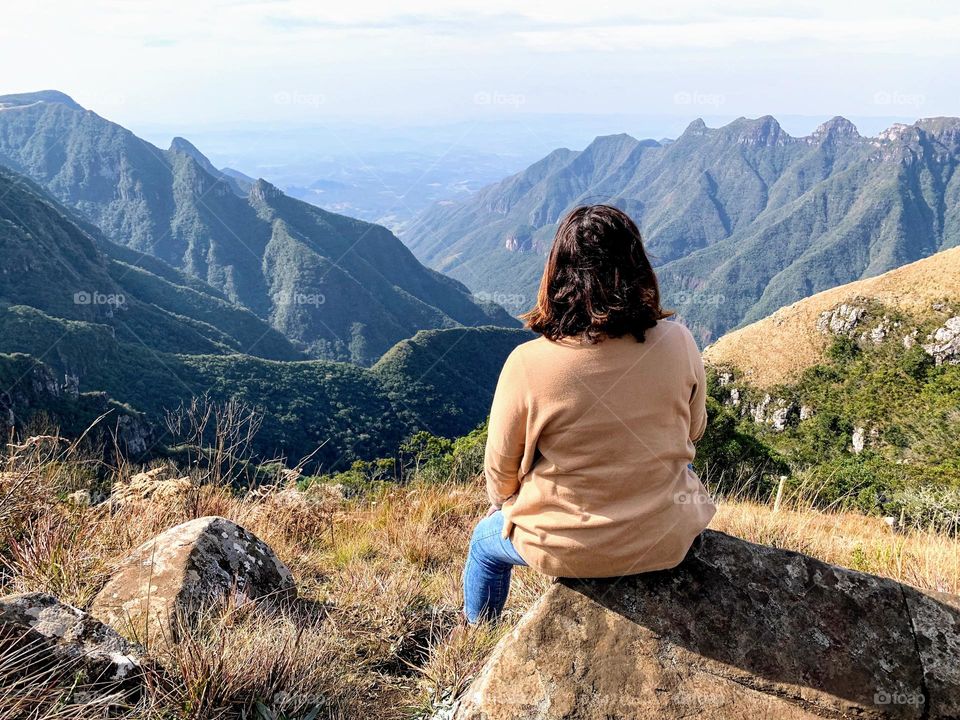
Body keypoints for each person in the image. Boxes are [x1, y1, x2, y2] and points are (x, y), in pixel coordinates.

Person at [462, 204, 715, 623]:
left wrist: (505, 505)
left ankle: (476, 634)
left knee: (483, 546)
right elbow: (695, 429)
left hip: (565, 545)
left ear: (556, 274)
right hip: (668, 535)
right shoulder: (680, 341)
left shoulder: (528, 364)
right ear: (637, 268)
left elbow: (501, 474)